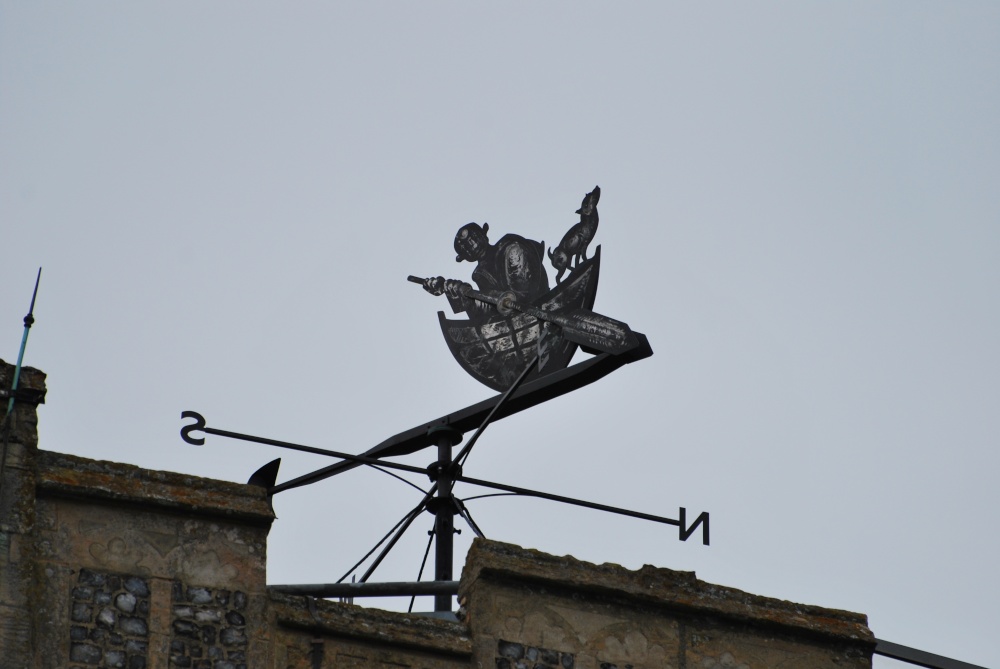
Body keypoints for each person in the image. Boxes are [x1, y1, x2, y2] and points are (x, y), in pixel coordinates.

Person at [422, 222, 549, 321]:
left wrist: (470, 295)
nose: (471, 244)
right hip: (517, 319)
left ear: (483, 233)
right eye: (464, 246)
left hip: (540, 307)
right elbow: (489, 315)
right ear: (462, 257)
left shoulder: (511, 248)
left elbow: (519, 299)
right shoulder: (480, 275)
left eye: (474, 236)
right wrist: (457, 293)